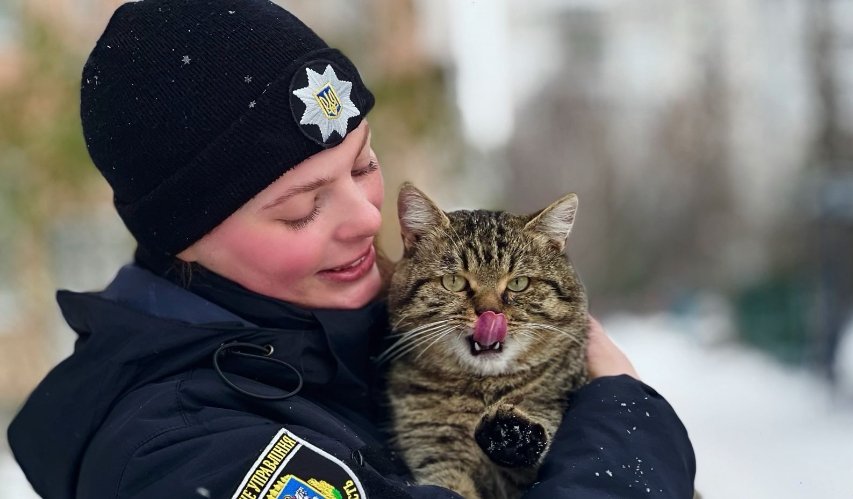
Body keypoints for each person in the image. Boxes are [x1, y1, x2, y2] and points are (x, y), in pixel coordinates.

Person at [7, 1, 696, 498]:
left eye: (365, 164)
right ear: (186, 238)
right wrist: (622, 426)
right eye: (302, 208)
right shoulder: (179, 452)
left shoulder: (367, 328)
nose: (366, 218)